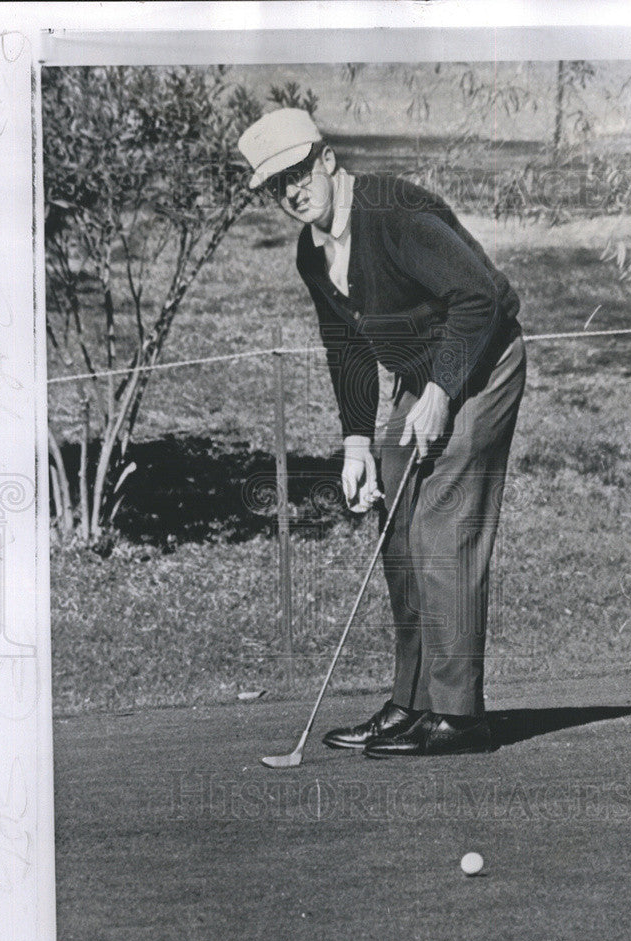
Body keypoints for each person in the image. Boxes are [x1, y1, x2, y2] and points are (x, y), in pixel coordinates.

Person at [238, 108, 526, 757]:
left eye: (297, 172)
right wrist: (357, 444)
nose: (291, 191)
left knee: (441, 530)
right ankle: (413, 703)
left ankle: (459, 715)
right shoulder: (312, 250)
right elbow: (345, 345)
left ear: (327, 160)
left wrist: (441, 394)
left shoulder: (392, 214)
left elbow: (481, 297)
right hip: (419, 375)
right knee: (397, 531)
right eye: (275, 185)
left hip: (479, 363)